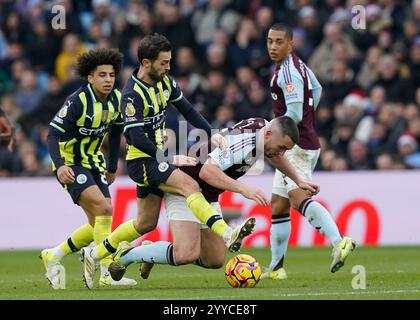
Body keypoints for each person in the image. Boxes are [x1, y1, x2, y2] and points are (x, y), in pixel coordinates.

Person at [80, 33, 254, 289]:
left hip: (158, 159)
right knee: (190, 186)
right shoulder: (131, 95)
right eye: (163, 62)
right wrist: (169, 158)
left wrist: (212, 132)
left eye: (169, 61)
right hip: (143, 162)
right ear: (146, 62)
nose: (168, 67)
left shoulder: (166, 83)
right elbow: (136, 137)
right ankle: (226, 233)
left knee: (145, 223)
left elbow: (188, 110)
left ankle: (94, 255)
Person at [106, 116, 319, 281]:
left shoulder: (265, 130)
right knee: (186, 254)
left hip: (207, 195)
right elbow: (207, 172)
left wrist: (298, 180)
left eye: (285, 149)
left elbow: (277, 155)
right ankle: (130, 254)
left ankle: (152, 251)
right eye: (282, 147)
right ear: (270, 133)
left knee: (214, 260)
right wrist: (243, 189)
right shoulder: (245, 143)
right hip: (186, 187)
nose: (281, 152)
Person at [264, 23, 356, 280]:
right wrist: (308, 118)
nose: (273, 46)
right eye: (270, 41)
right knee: (279, 205)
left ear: (290, 44)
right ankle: (276, 268)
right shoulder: (296, 65)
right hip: (301, 140)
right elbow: (317, 90)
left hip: (294, 144)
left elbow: (292, 114)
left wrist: (272, 130)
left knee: (295, 199)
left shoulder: (289, 72)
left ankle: (339, 241)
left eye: (279, 41)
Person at [40, 48, 136, 289]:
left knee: (98, 225)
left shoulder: (116, 99)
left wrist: (113, 166)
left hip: (94, 162)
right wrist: (60, 166)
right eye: (101, 75)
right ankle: (105, 271)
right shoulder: (77, 101)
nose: (108, 80)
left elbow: (115, 132)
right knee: (105, 208)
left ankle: (54, 254)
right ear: (89, 77)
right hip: (70, 163)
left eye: (111, 75)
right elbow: (52, 134)